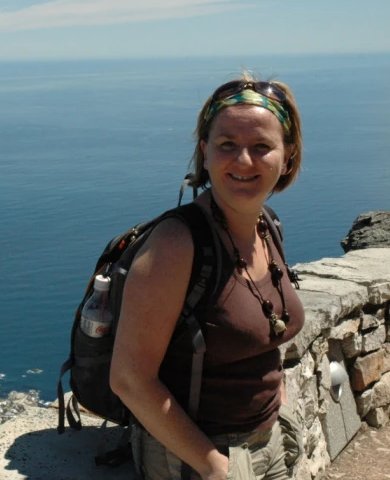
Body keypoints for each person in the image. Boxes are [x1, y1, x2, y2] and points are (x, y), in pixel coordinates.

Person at [109, 75, 306, 480]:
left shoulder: (267, 226)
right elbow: (129, 378)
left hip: (267, 441)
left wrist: (277, 405)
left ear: (287, 156)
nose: (244, 161)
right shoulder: (177, 244)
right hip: (193, 456)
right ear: (205, 152)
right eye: (227, 145)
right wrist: (214, 466)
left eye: (261, 147)